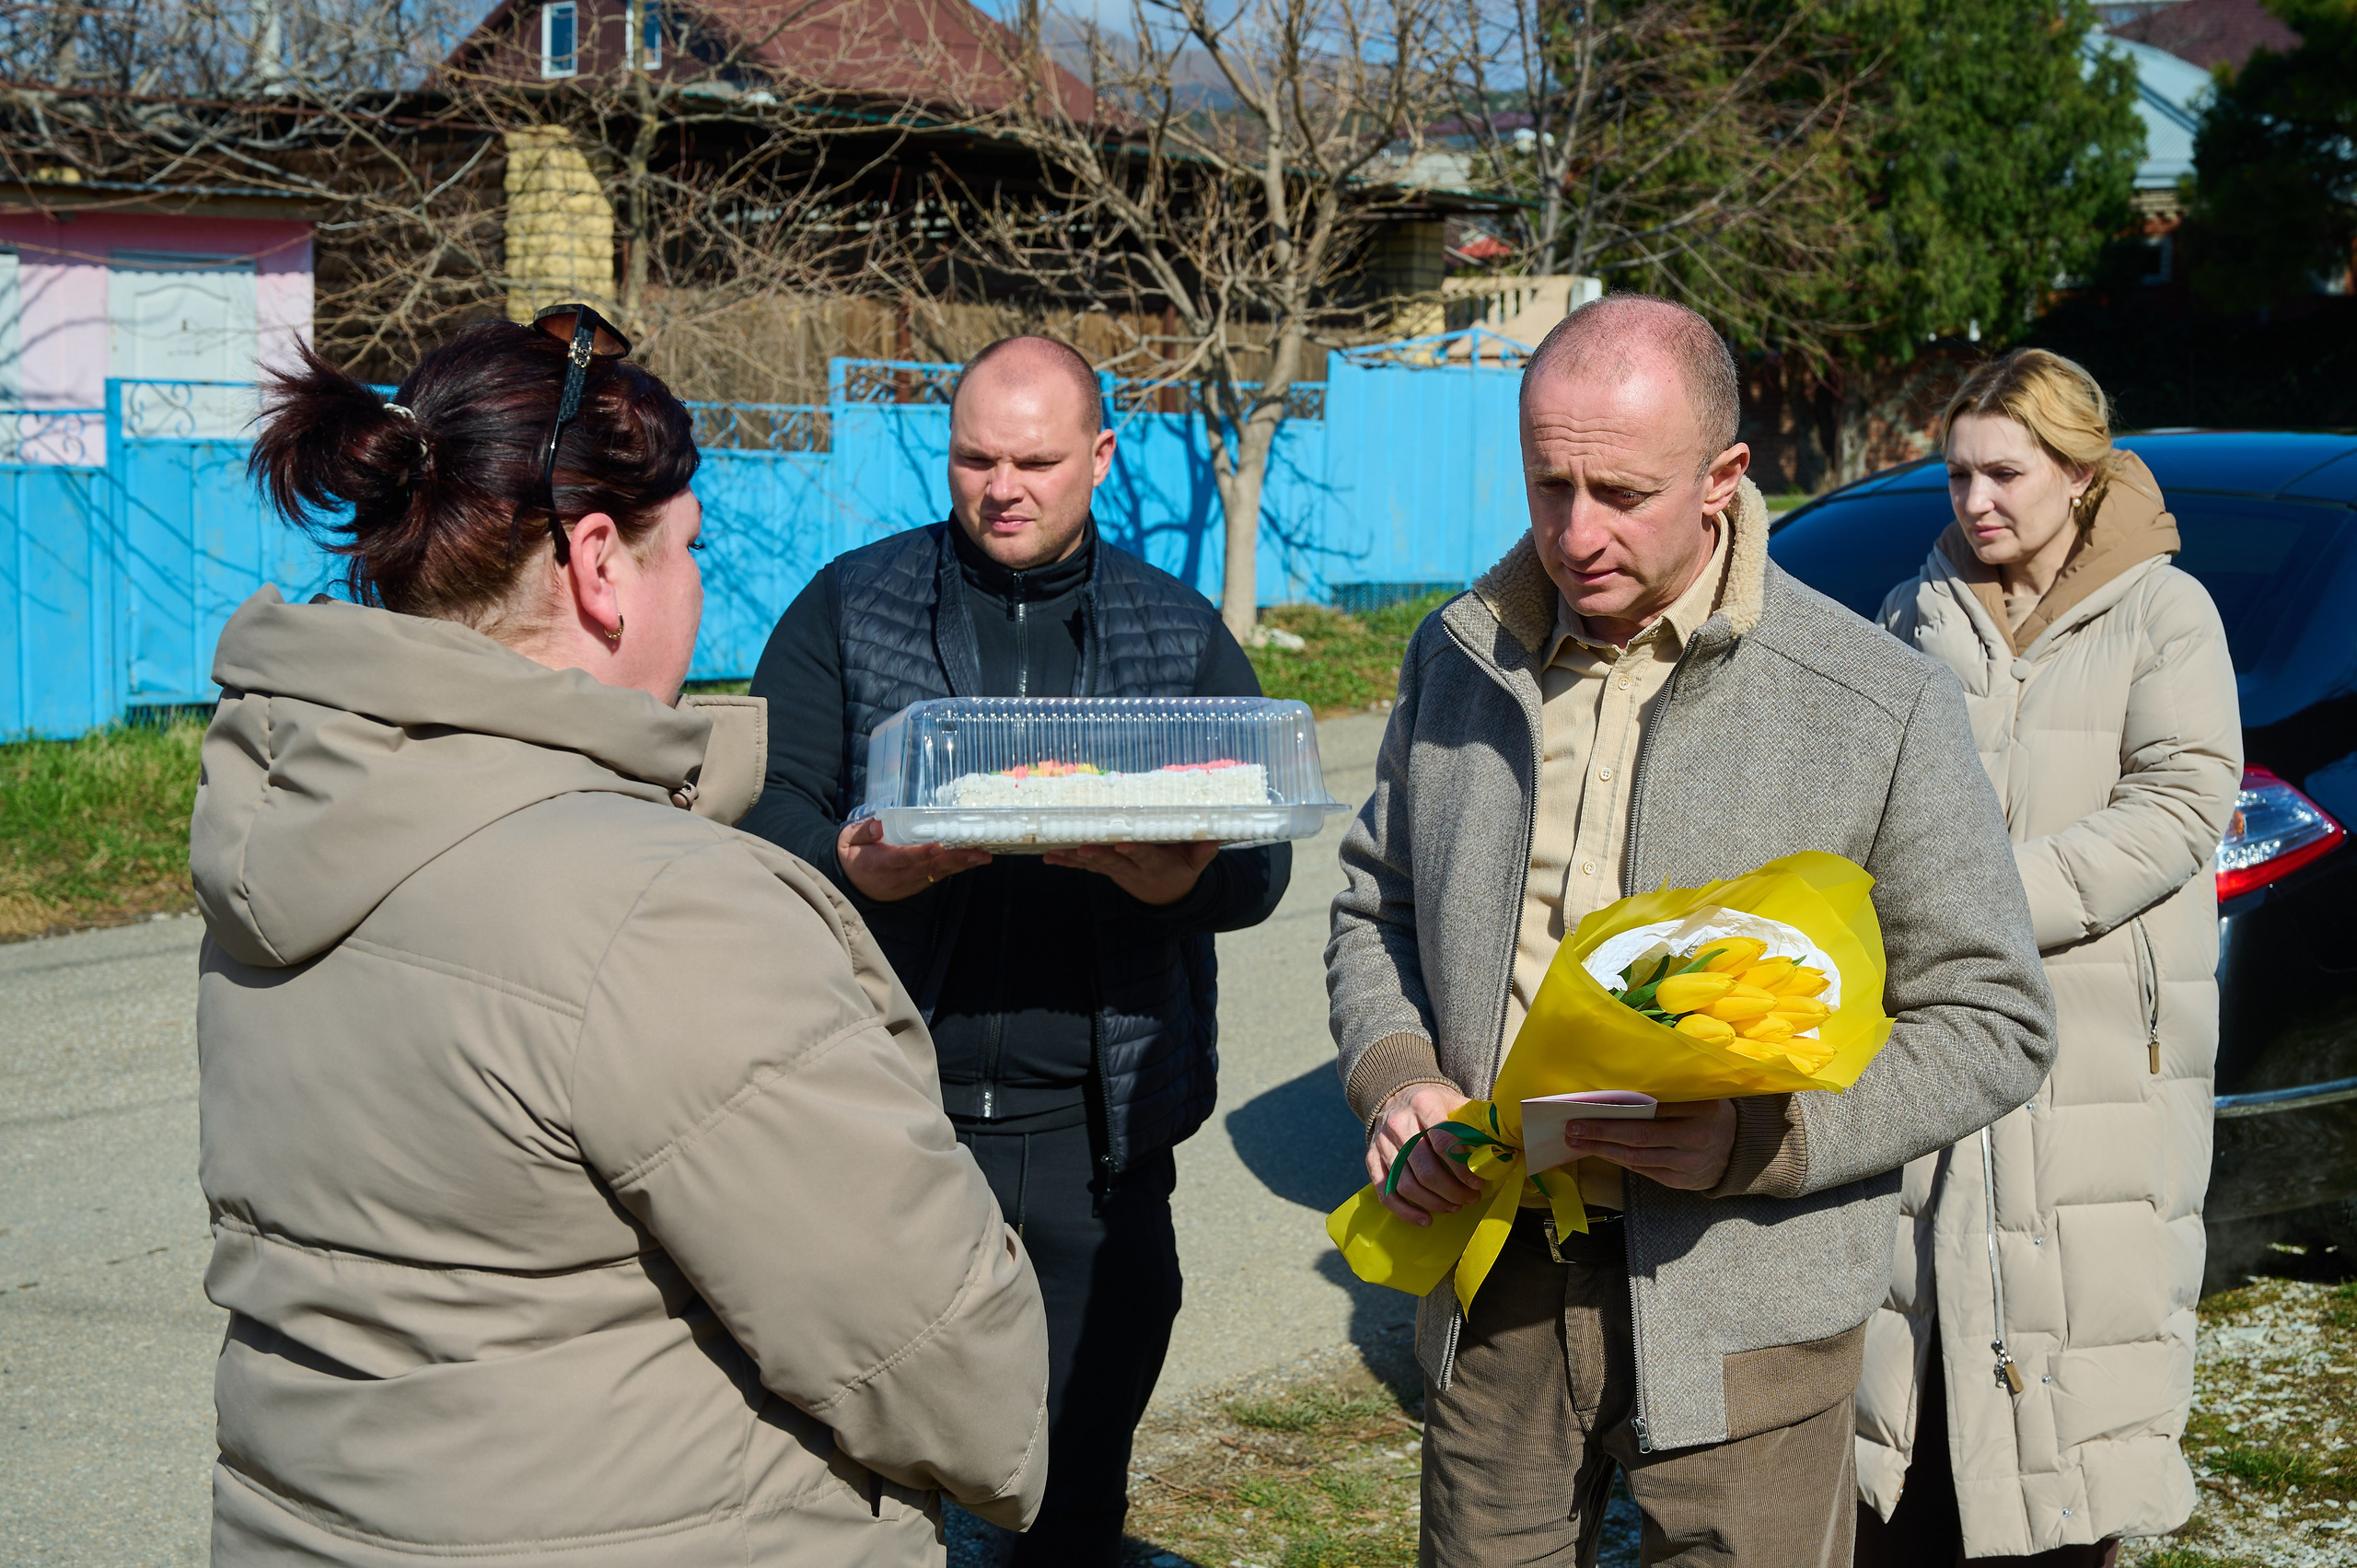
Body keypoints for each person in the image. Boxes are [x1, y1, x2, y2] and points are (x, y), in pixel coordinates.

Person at [193, 310, 1049, 1566]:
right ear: (599, 564)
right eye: (689, 546)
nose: (697, 584)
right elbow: (937, 1356)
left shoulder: (294, 823)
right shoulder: (661, 909)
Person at [1325, 293, 2059, 1566]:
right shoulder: (1457, 657)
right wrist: (1398, 1076)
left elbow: (1993, 1019)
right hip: (1495, 1273)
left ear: (1725, 477)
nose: (1575, 533)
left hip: (1750, 1301)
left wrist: (1763, 1139)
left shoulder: (1874, 701)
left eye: (1621, 493)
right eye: (1549, 485)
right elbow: (1373, 908)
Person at [739, 334, 1290, 1563]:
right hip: (887, 1126)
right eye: (974, 458)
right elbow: (764, 807)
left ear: (1099, 457)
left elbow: (1260, 862)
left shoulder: (1174, 631)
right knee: (860, 1487)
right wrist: (852, 863)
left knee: (1075, 1488)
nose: (1002, 488)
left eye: (1035, 462)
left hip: (1099, 1139)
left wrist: (1179, 882)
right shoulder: (851, 605)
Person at [1857, 350, 2241, 1566]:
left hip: (2100, 1055)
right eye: (1957, 476)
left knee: (2081, 1367)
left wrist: (1981, 899)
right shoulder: (1910, 614)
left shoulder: (2165, 613)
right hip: (1931, 1032)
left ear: (2080, 474)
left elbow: (2182, 802)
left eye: (2005, 475)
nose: (1975, 502)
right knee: (1913, 1354)